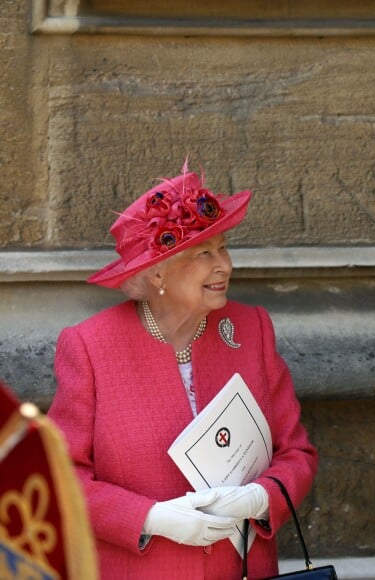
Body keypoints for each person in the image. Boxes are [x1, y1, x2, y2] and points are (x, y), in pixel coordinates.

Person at [47, 160, 318, 579]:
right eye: (203, 253)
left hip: (242, 570)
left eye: (224, 247)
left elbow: (296, 454)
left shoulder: (252, 329)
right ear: (157, 272)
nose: (223, 265)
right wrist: (151, 517)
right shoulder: (89, 347)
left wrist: (259, 499)